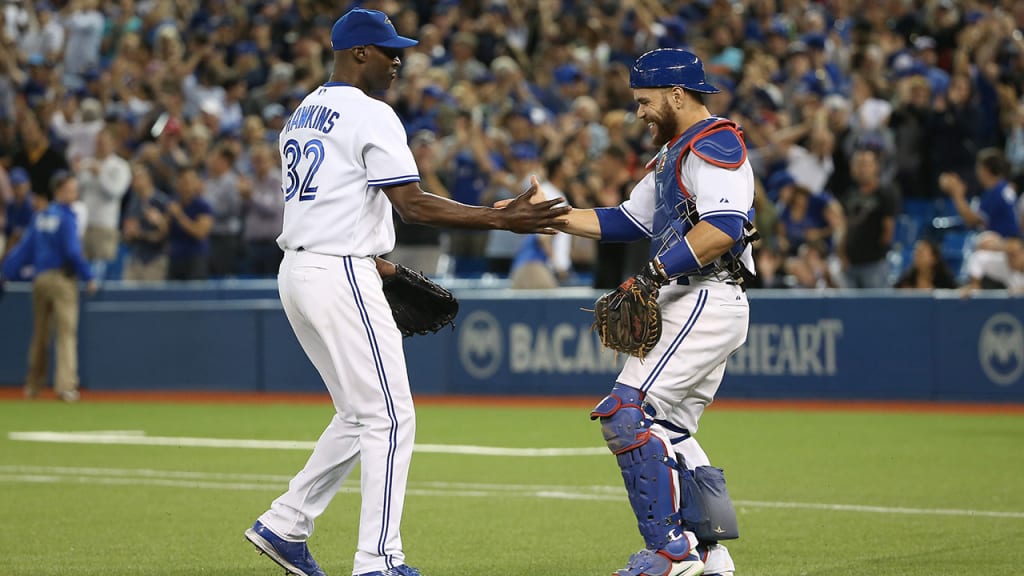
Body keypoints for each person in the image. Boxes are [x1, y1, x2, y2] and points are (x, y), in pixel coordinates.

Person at [243, 9, 568, 576]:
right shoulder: (370, 112)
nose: (398, 60)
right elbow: (412, 204)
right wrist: (501, 219)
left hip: (301, 271)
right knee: (391, 417)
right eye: (388, 50)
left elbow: (336, 202)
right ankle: (380, 561)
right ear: (358, 53)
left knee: (358, 413)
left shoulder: (302, 113)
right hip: (340, 271)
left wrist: (376, 263)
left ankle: (285, 523)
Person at [521, 48, 751, 576]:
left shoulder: (714, 142)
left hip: (703, 293)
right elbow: (624, 220)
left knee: (627, 413)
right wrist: (547, 218)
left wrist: (652, 275)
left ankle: (672, 553)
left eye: (645, 101)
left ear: (677, 95)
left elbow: (723, 229)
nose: (639, 112)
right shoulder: (675, 153)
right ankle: (710, 554)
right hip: (690, 293)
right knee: (669, 429)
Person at [0, 171, 98, 402]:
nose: (74, 194)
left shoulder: (41, 216)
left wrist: (5, 273)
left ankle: (33, 386)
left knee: (40, 335)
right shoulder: (67, 216)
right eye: (71, 189)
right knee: (66, 333)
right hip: (62, 280)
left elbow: (24, 250)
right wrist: (88, 275)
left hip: (41, 278)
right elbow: (73, 251)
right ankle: (65, 386)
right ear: (60, 190)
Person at [940, 147, 1021, 239]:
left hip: (1002, 244)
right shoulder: (1003, 188)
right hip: (1007, 242)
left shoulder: (996, 192)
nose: (977, 172)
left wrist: (956, 194)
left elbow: (971, 220)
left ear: (985, 170)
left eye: (978, 167)